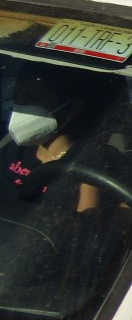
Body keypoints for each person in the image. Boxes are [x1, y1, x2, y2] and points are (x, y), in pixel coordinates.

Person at [3, 62, 125, 212]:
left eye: (32, 98)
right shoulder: (9, 145)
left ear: (73, 108)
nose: (20, 106)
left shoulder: (92, 159)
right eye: (16, 97)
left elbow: (83, 224)